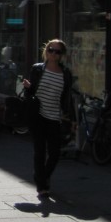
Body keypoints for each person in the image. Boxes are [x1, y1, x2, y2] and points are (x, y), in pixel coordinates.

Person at [23, 39, 74, 200]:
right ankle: (42, 187)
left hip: (54, 117)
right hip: (37, 115)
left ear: (61, 55)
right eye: (51, 50)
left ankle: (42, 176)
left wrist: (70, 117)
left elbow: (67, 97)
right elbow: (30, 94)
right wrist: (28, 88)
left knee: (55, 153)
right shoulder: (38, 69)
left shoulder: (65, 73)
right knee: (39, 151)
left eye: (57, 51)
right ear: (46, 51)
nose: (53, 53)